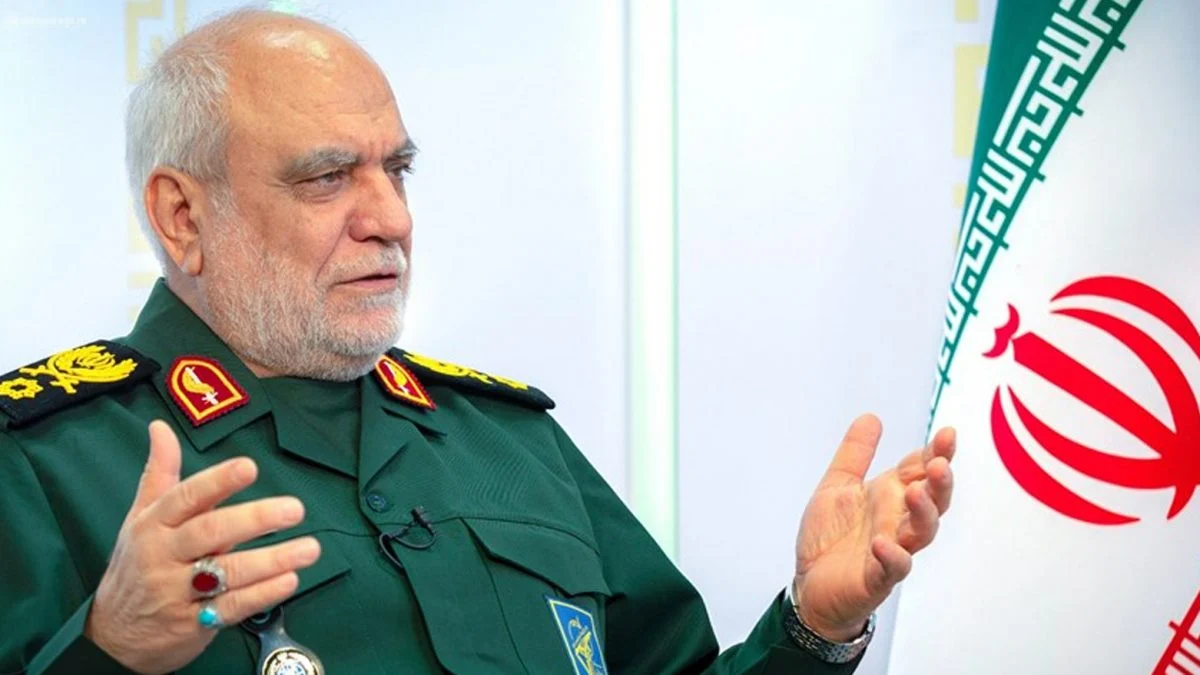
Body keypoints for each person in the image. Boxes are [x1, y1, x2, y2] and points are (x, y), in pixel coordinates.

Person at [0, 9, 955, 675]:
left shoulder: (508, 440)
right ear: (182, 215)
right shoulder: (38, 465)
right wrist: (108, 652)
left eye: (397, 169)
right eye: (327, 178)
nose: (390, 219)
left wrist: (812, 628)